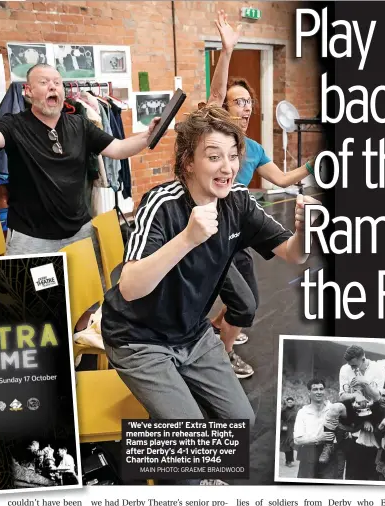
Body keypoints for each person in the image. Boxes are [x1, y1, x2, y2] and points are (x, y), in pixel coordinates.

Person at [101, 107, 319, 448]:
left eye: (233, 157)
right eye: (214, 156)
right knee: (192, 439)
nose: (227, 167)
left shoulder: (238, 202)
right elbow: (129, 287)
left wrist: (304, 231)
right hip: (138, 338)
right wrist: (187, 238)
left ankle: (194, 458)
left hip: (191, 333)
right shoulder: (162, 203)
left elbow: (294, 253)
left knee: (241, 423)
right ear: (188, 162)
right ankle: (175, 471)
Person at [205, 10, 319, 377]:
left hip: (240, 226)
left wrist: (317, 167)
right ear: (224, 107)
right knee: (245, 300)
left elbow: (283, 179)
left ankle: (219, 328)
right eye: (238, 101)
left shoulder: (252, 148)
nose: (245, 107)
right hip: (210, 229)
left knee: (240, 295)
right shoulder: (216, 134)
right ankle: (219, 358)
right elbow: (214, 94)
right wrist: (226, 51)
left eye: (248, 102)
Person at [0, 63, 159, 257]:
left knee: (87, 294)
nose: (52, 86)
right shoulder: (14, 124)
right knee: (31, 294)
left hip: (80, 233)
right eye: (43, 82)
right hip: (31, 238)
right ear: (28, 91)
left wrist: (147, 136)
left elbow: (118, 148)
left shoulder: (80, 124)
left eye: (57, 83)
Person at [338, 345, 385, 480]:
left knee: (370, 467)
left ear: (363, 359)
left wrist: (365, 384)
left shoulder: (378, 369)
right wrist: (355, 395)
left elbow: (377, 398)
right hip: (354, 412)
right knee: (353, 467)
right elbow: (342, 396)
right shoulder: (345, 369)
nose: (352, 369)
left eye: (354, 365)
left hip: (373, 412)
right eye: (350, 366)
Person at [293, 379, 337, 479]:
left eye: (321, 389)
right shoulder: (303, 412)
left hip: (329, 454)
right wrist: (318, 438)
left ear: (325, 391)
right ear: (309, 392)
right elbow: (297, 439)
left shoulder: (333, 409)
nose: (319, 392)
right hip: (308, 454)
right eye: (315, 389)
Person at [280, 397, 298, 467]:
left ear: (293, 402)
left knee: (291, 445)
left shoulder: (296, 410)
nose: (289, 403)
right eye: (288, 402)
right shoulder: (283, 410)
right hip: (284, 428)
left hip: (292, 428)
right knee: (285, 445)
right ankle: (287, 461)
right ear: (286, 402)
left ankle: (289, 461)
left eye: (291, 402)